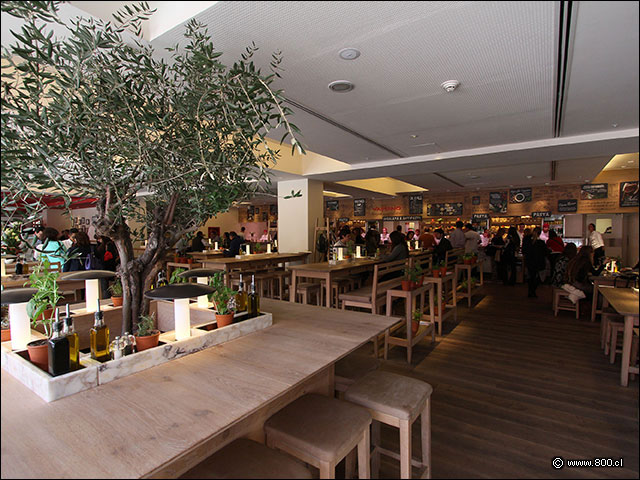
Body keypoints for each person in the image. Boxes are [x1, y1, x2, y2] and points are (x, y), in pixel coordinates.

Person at [525, 227, 549, 298]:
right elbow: (545, 252)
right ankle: (533, 291)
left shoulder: (529, 241)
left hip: (530, 261)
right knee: (538, 277)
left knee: (531, 276)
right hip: (538, 262)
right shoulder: (541, 243)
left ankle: (530, 291)